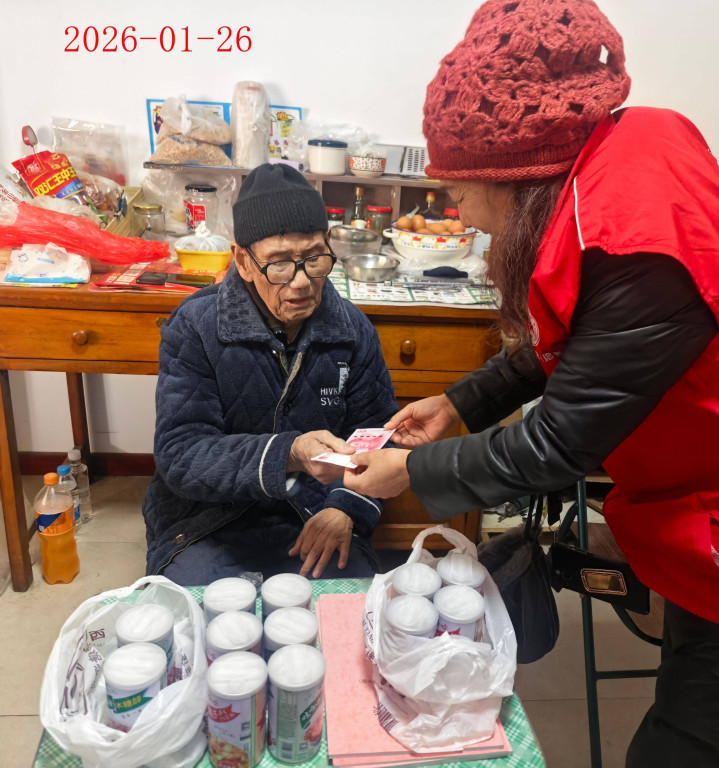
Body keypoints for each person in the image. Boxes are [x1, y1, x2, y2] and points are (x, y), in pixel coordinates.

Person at [343, 1, 719, 765]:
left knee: (685, 737)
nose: (463, 217)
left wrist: (409, 471)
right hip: (688, 487)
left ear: (513, 177)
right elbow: (584, 341)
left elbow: (554, 445)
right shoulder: (622, 151)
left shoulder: (637, 241)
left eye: (458, 193)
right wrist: (460, 400)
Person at [143, 163, 397, 584]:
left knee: (348, 608)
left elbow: (377, 436)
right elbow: (182, 453)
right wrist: (289, 453)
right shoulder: (196, 326)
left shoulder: (352, 330)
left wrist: (345, 509)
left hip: (315, 509)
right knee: (204, 611)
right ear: (243, 261)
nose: (300, 283)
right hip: (212, 518)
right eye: (278, 264)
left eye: (314, 258)